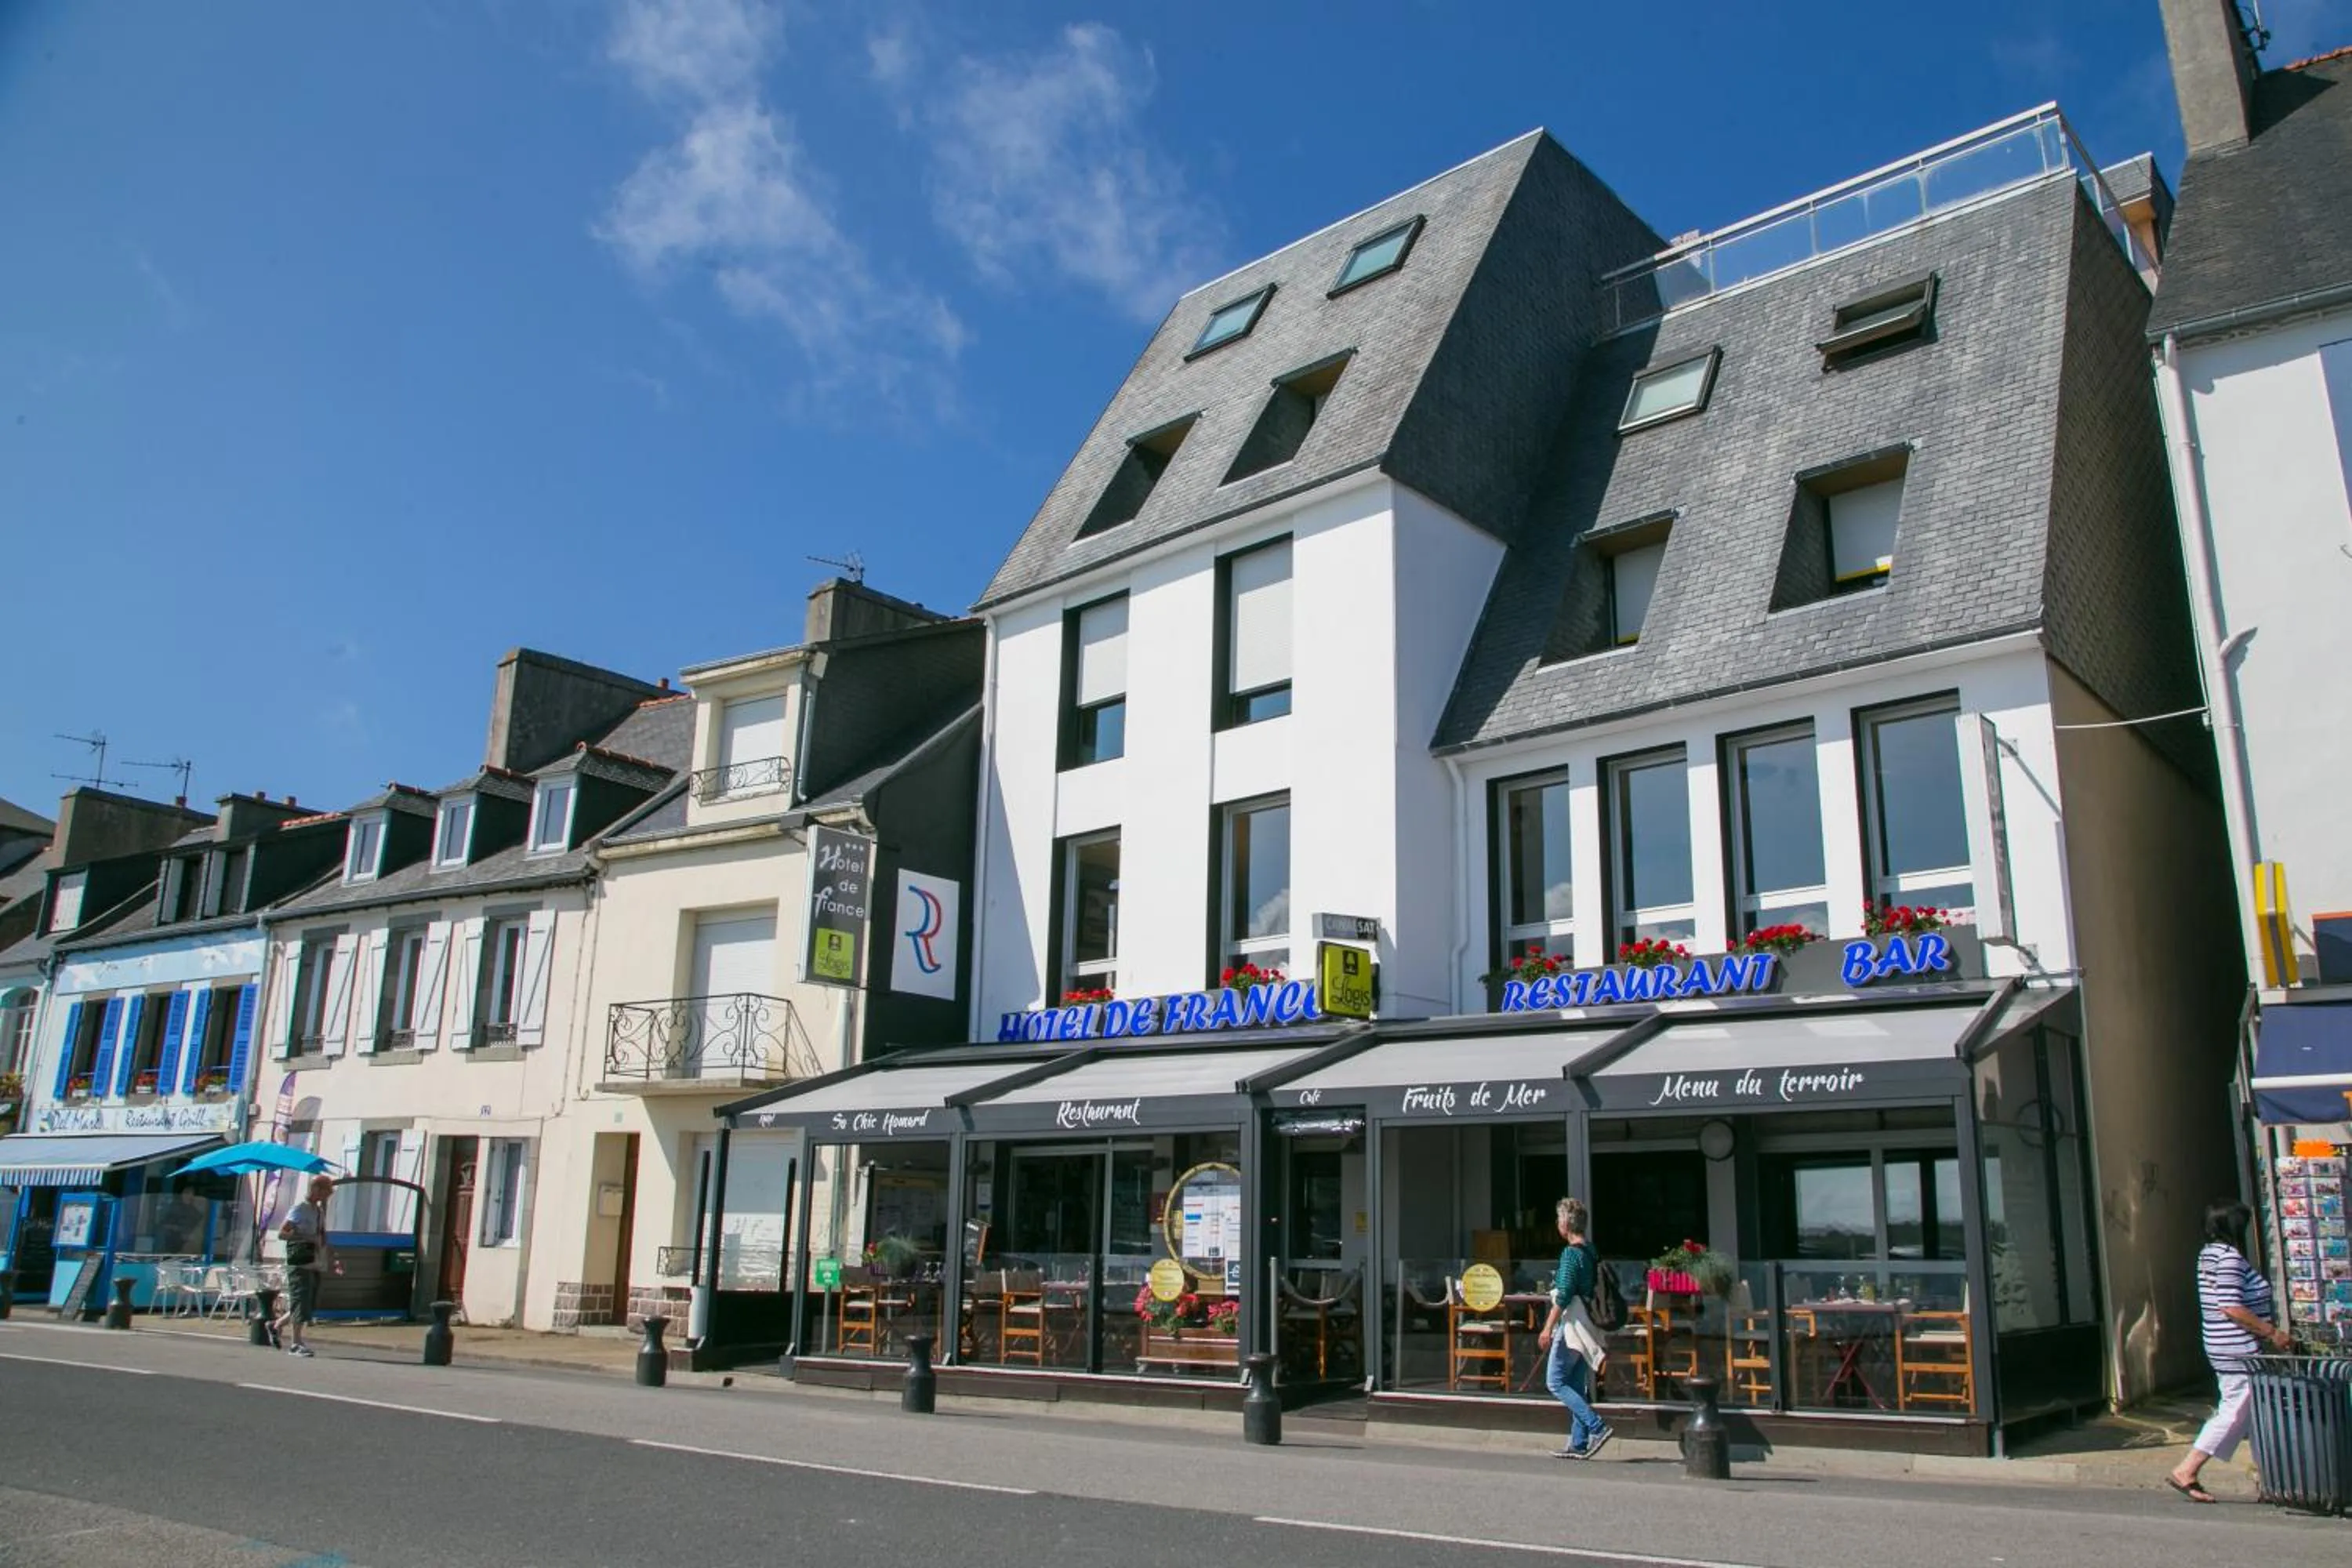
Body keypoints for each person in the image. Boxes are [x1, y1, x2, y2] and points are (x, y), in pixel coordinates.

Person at [2168, 1199, 2292, 1504]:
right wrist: (2271, 1332)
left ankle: (2264, 1471)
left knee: (2245, 1408)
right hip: (2236, 1347)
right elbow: (2231, 1306)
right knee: (2235, 1409)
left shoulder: (2209, 1254)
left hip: (2223, 1344)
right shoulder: (2228, 1259)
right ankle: (2188, 1468)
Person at [1536, 1196, 1613, 1460]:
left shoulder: (1570, 1254)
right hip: (1589, 1325)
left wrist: (1547, 1328)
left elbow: (1565, 1293)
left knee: (1555, 1381)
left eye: (1559, 1219)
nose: (1557, 1224)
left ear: (1566, 1224)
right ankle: (1578, 1443)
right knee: (1576, 1384)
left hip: (1572, 1325)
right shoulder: (1591, 1251)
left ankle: (1597, 1426)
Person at [273, 1174, 341, 1358]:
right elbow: (282, 1233)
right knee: (301, 1301)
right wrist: (305, 1237)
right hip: (300, 1261)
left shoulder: (318, 1211)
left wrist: (330, 1253)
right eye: (326, 1192)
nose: (328, 1196)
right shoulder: (300, 1209)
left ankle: (277, 1325)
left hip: (315, 1262)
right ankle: (296, 1343)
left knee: (307, 1303)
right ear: (316, 1189)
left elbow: (322, 1235)